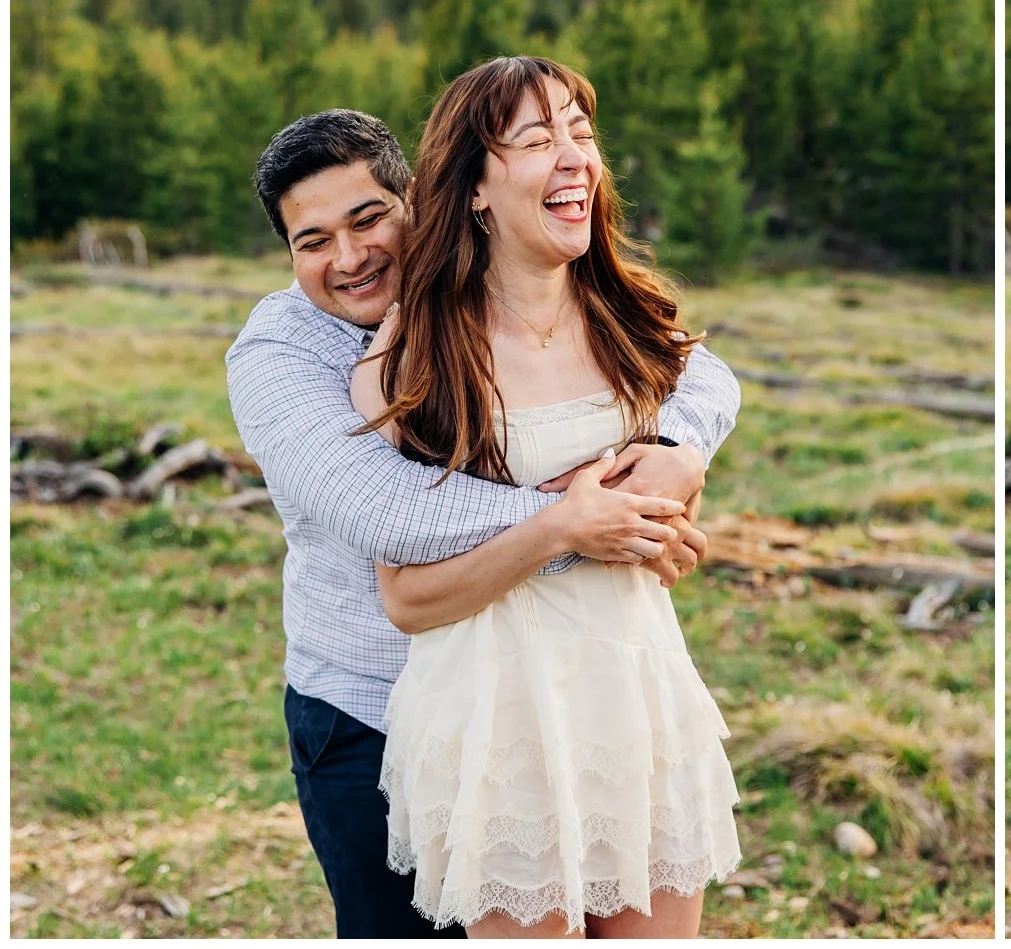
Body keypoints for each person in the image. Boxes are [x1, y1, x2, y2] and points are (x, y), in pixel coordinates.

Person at [227, 105, 740, 939]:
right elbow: (386, 513)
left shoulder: (484, 293)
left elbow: (698, 365)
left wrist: (680, 449)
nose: (349, 259)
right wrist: (590, 520)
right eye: (312, 242)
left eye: (368, 220)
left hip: (559, 696)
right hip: (369, 712)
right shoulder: (281, 354)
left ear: (420, 203)